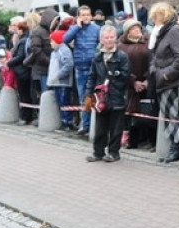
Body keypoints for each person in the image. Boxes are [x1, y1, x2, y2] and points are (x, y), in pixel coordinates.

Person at [149, 2, 179, 163]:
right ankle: (174, 145)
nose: (153, 20)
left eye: (156, 16)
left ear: (163, 16)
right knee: (168, 115)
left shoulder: (174, 30)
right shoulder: (162, 31)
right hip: (163, 80)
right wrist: (154, 70)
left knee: (176, 115)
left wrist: (166, 75)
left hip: (174, 81)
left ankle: (178, 147)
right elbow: (155, 55)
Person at [85, 25, 130, 163]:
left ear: (116, 38)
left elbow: (126, 76)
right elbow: (92, 76)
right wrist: (88, 94)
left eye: (112, 37)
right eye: (106, 37)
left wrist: (114, 78)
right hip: (101, 98)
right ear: (101, 40)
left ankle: (114, 153)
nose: (109, 40)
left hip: (117, 96)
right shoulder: (97, 57)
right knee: (100, 127)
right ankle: (98, 152)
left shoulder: (122, 56)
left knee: (116, 128)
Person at [119, 18, 154, 150]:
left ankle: (151, 140)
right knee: (131, 113)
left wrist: (147, 79)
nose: (137, 30)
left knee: (148, 112)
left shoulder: (148, 43)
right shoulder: (121, 46)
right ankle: (133, 141)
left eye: (138, 28)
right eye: (133, 29)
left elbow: (153, 61)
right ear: (127, 32)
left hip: (146, 82)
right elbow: (121, 66)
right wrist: (133, 81)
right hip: (130, 85)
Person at [48, 29, 75, 130]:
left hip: (63, 82)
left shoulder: (63, 50)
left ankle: (68, 123)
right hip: (57, 82)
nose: (50, 43)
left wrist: (58, 75)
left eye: (52, 41)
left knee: (64, 102)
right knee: (60, 102)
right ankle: (64, 121)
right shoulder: (54, 52)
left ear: (57, 40)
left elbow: (69, 65)